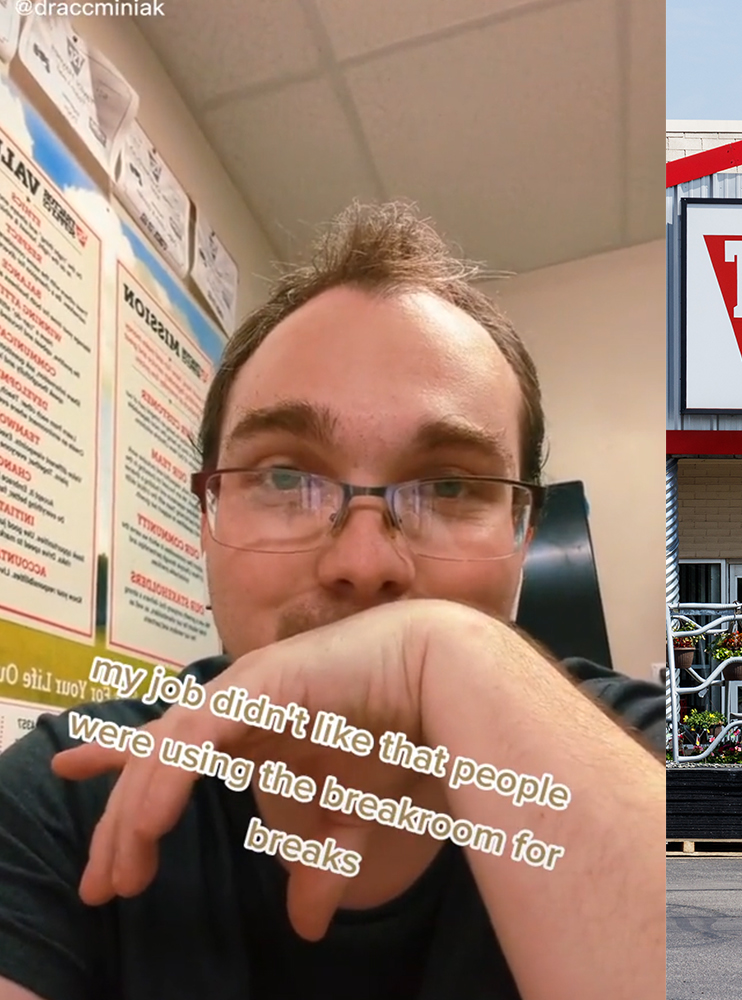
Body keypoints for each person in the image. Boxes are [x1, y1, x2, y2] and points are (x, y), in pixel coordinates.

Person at [0, 203, 667, 1000]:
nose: (363, 563)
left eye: (450, 485)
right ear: (206, 523)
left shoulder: (650, 747)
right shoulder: (67, 796)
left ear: (523, 537)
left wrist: (449, 656)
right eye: (285, 477)